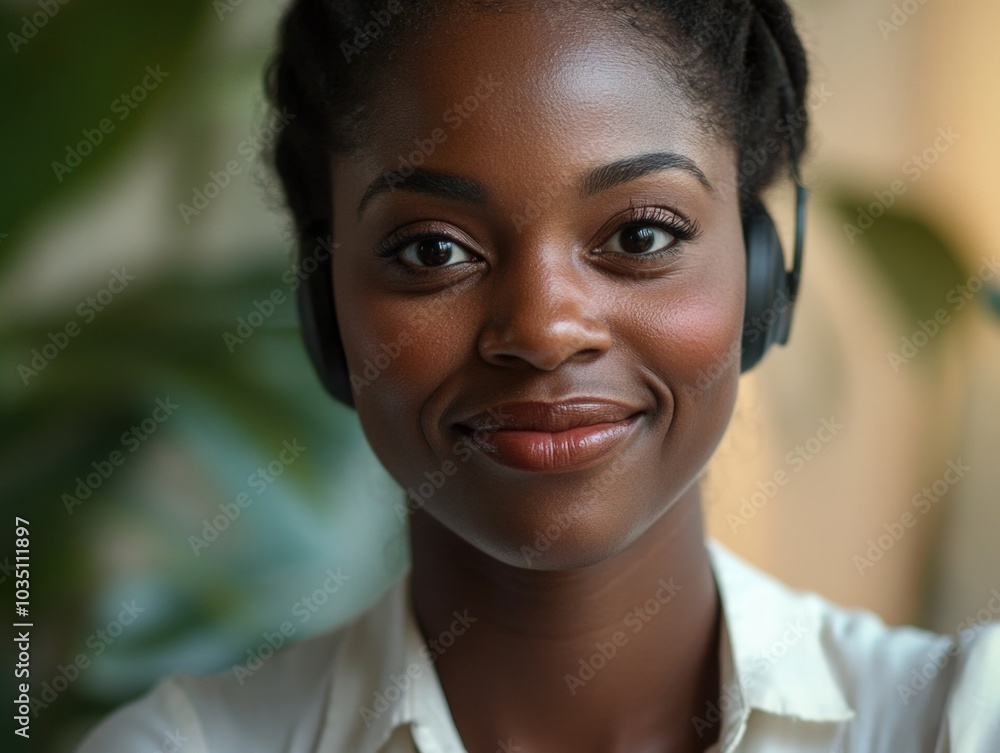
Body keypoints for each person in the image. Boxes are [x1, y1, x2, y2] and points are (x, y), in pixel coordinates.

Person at [75, 1, 1000, 751]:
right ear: (329, 311)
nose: (545, 330)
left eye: (641, 235)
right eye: (433, 249)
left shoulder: (959, 720)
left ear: (763, 278)